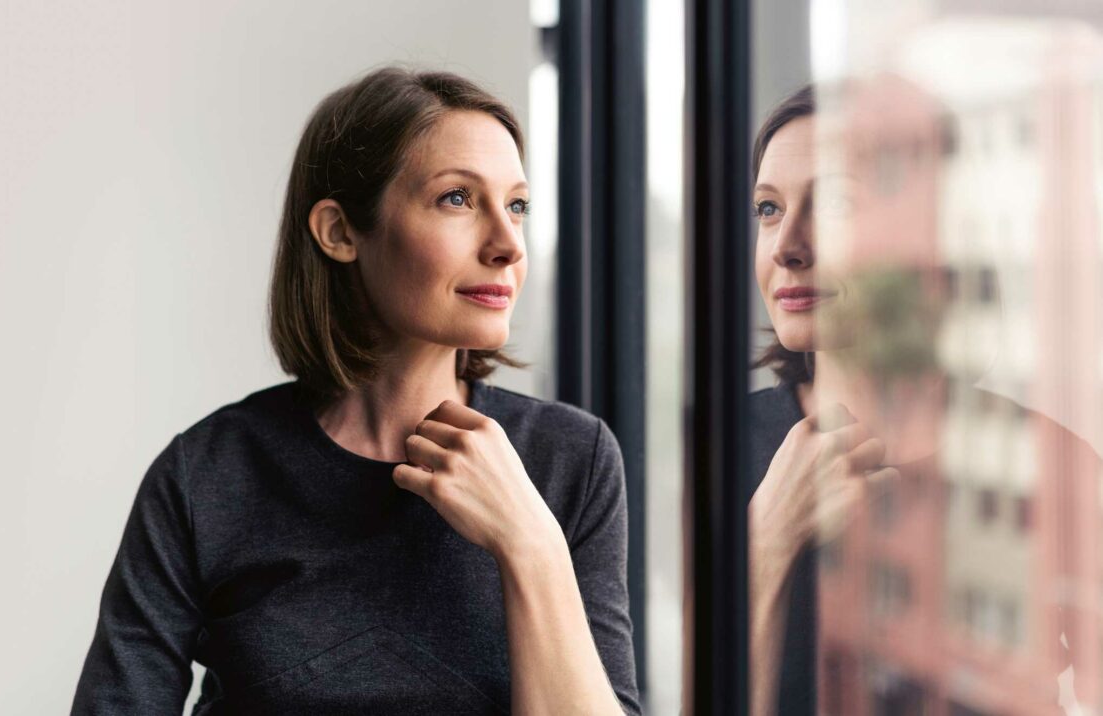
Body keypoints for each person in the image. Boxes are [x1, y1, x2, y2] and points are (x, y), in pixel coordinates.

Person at [72, 67, 640, 715]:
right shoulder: (205, 474)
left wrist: (530, 546)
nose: (509, 245)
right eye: (457, 198)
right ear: (340, 232)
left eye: (517, 205)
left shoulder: (574, 459)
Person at [746, 81, 1100, 715]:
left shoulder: (1056, 466)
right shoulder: (713, 449)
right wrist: (765, 544)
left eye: (833, 203)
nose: (786, 246)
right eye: (768, 209)